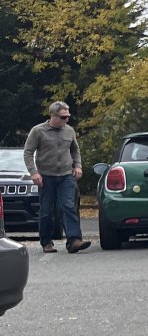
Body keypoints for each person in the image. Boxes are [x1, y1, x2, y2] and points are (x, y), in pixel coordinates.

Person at [23, 101, 90, 254]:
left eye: (68, 117)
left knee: (69, 207)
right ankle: (46, 242)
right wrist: (34, 172)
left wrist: (78, 166)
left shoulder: (69, 131)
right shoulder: (38, 131)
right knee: (46, 210)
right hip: (46, 177)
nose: (67, 120)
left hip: (66, 176)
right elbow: (27, 153)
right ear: (53, 116)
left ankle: (74, 241)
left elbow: (75, 150)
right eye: (63, 117)